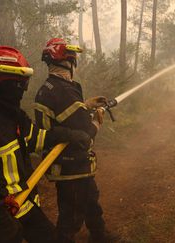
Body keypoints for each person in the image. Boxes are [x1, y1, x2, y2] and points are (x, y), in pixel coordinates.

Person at [0, 46, 88, 243]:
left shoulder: (11, 114)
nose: (24, 86)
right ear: (4, 82)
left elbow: (35, 138)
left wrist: (67, 134)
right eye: (20, 81)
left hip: (25, 206)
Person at [34, 38, 119, 243]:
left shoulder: (52, 87)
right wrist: (97, 121)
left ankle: (99, 237)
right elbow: (83, 132)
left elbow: (67, 118)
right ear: (68, 62)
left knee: (91, 203)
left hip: (74, 165)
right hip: (70, 166)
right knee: (70, 218)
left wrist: (86, 105)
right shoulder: (63, 91)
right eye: (73, 60)